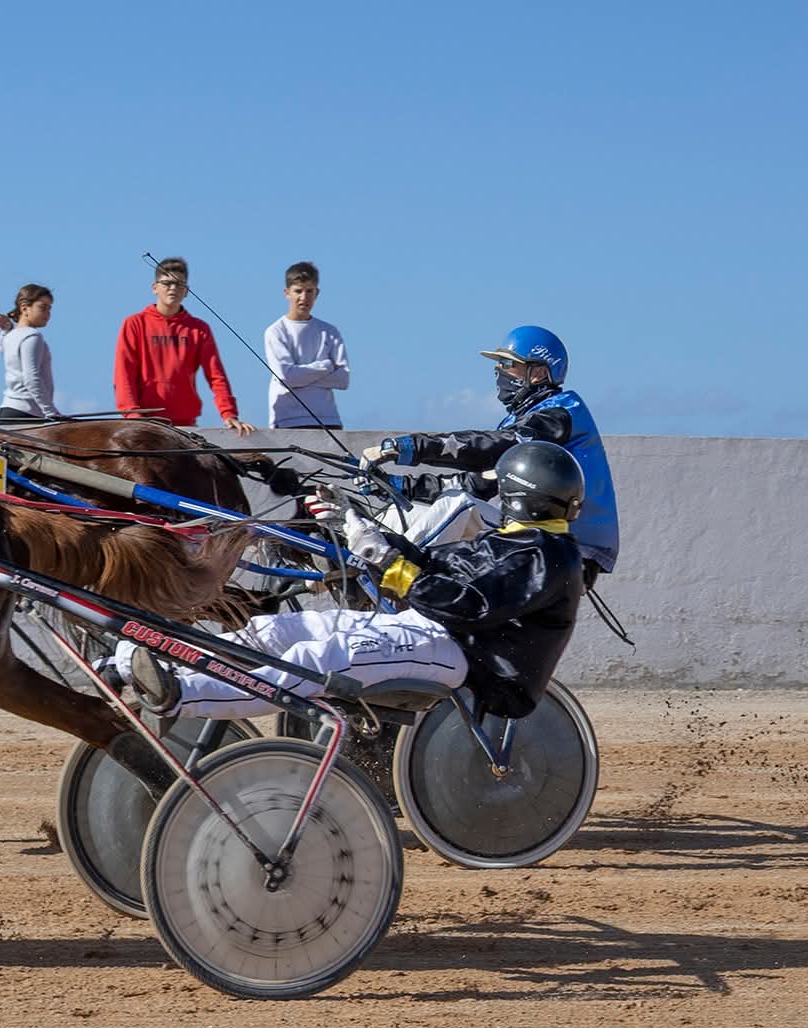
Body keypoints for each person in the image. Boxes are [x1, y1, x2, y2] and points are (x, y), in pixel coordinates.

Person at [104, 441, 586, 723]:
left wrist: (379, 554)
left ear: (519, 495)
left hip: (468, 659)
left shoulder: (547, 557)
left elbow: (464, 605)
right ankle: (133, 664)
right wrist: (360, 527)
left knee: (318, 660)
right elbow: (435, 567)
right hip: (432, 632)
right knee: (276, 633)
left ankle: (178, 697)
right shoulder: (518, 540)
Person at [359, 325, 617, 584]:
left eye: (507, 363)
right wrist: (398, 486)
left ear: (537, 373)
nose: (498, 371)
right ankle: (359, 578)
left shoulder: (560, 414)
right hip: (529, 536)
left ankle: (390, 574)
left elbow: (494, 447)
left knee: (461, 506)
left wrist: (411, 447)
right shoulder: (520, 420)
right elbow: (476, 484)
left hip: (568, 547)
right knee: (400, 513)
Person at [112, 257, 256, 434]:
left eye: (180, 284)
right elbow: (124, 374)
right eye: (167, 283)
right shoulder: (134, 324)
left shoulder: (199, 329)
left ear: (187, 291)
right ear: (155, 288)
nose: (173, 288)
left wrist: (229, 414)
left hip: (185, 425)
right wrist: (133, 416)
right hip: (144, 424)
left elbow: (216, 375)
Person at [263, 261, 348, 429]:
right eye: (298, 291)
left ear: (317, 293)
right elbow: (287, 377)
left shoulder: (330, 331)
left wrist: (301, 375)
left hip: (328, 419)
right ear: (287, 293)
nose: (304, 297)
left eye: (309, 291)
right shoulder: (275, 331)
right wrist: (325, 366)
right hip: (287, 420)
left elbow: (343, 379)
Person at [0, 284, 65, 420]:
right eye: (43, 307)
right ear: (24, 308)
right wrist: (51, 412)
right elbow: (31, 378)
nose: (47, 314)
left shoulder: (9, 336)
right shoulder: (32, 336)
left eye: (49, 309)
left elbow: (4, 349)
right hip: (26, 413)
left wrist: (6, 328)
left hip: (8, 411)